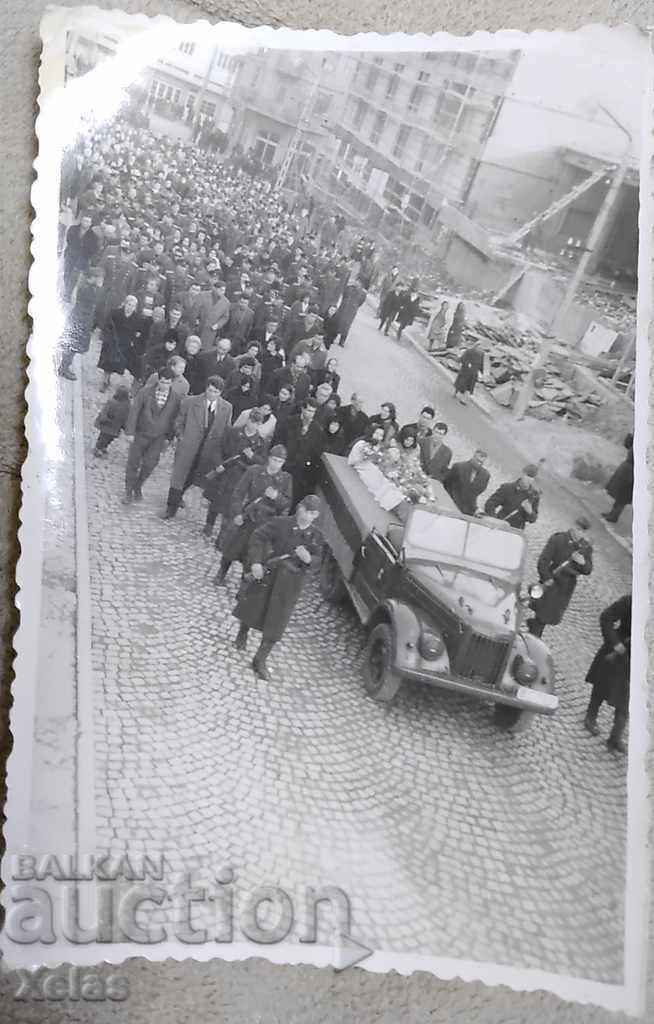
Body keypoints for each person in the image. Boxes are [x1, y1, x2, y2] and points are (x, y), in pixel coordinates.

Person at [231, 495, 322, 679]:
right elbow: (258, 536)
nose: (307, 516)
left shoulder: (316, 537)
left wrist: (309, 559)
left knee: (277, 622)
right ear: (299, 507)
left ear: (316, 515)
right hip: (269, 574)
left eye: (312, 513)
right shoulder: (281, 523)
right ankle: (242, 633)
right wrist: (256, 563)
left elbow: (319, 561)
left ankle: (260, 659)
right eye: (305, 510)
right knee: (253, 608)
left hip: (290, 584)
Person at [214, 444, 293, 584]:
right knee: (232, 547)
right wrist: (237, 513)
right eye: (274, 460)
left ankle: (244, 584)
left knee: (255, 555)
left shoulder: (286, 479)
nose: (276, 464)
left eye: (280, 462)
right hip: (249, 516)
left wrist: (276, 497)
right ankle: (221, 572)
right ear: (269, 458)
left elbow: (287, 504)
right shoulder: (254, 471)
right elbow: (238, 493)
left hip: (267, 523)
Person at [163, 376, 232, 518]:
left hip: (207, 451)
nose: (213, 394)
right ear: (206, 388)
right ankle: (171, 508)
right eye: (211, 391)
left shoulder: (226, 407)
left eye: (217, 392)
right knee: (179, 476)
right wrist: (182, 438)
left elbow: (226, 430)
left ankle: (179, 496)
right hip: (188, 447)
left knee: (193, 477)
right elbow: (178, 422)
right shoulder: (190, 402)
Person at [202, 408, 267, 536]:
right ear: (248, 420)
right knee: (216, 499)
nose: (253, 425)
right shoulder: (232, 432)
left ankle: (223, 533)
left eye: (257, 423)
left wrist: (252, 456)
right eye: (252, 421)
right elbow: (218, 448)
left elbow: (262, 463)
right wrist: (218, 463)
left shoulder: (260, 443)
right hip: (225, 471)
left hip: (241, 476)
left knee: (232, 505)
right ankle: (209, 525)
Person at [528, 517, 594, 638]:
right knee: (542, 615)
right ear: (572, 526)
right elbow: (543, 561)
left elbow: (588, 570)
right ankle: (534, 635)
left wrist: (583, 563)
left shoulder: (585, 548)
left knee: (550, 616)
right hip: (552, 583)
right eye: (578, 529)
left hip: (566, 588)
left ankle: (533, 629)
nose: (580, 533)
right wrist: (547, 578)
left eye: (583, 531)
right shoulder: (559, 539)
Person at [123, 372, 181, 504]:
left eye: (168, 382)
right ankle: (128, 490)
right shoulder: (145, 392)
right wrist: (130, 432)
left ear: (172, 383)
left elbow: (174, 419)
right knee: (133, 463)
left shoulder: (175, 398)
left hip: (158, 437)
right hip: (141, 433)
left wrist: (169, 437)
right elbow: (135, 411)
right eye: (162, 382)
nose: (165, 385)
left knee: (150, 463)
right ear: (158, 380)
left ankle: (138, 485)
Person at [584, 594, 631, 752]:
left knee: (627, 701)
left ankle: (615, 738)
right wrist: (615, 643)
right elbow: (606, 617)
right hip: (618, 651)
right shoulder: (632, 600)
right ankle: (591, 716)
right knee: (601, 686)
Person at [58, 265, 104, 380]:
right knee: (73, 345)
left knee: (73, 345)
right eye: (98, 277)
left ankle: (64, 366)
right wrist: (99, 287)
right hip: (80, 320)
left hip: (82, 319)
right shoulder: (87, 289)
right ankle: (63, 368)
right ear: (92, 277)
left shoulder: (87, 286)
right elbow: (96, 299)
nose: (100, 280)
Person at [279, 398, 325, 508]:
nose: (311, 414)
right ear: (302, 409)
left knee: (291, 499)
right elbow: (279, 440)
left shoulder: (317, 430)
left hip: (300, 472)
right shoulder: (289, 422)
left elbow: (316, 452)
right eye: (309, 410)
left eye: (313, 411)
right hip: (284, 465)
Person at [99, 294, 147, 392]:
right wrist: (108, 338)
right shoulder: (115, 313)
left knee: (127, 362)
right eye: (129, 305)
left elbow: (139, 332)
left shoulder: (137, 318)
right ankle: (105, 381)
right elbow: (107, 326)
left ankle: (132, 386)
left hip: (126, 344)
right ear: (125, 304)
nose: (130, 308)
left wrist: (133, 340)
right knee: (108, 360)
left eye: (133, 306)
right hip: (113, 341)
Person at [484, 465, 540, 530]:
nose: (529, 479)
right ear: (522, 474)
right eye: (528, 475)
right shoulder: (507, 488)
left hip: (516, 531)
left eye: (532, 477)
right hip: (500, 526)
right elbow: (490, 504)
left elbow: (532, 520)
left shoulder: (534, 495)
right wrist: (494, 520)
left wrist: (529, 511)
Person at [62, 213, 100, 300]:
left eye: (87, 221)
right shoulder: (73, 229)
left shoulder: (93, 236)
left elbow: (94, 249)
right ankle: (65, 289)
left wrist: (85, 254)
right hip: (70, 256)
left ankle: (68, 294)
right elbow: (69, 239)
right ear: (81, 221)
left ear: (90, 223)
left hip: (82, 259)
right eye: (84, 220)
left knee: (74, 276)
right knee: (67, 273)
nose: (85, 223)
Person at [444, 449, 490, 515]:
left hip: (469, 510)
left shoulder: (485, 475)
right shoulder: (458, 467)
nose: (479, 464)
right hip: (451, 504)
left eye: (481, 462)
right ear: (473, 457)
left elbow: (479, 491)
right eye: (477, 461)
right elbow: (447, 483)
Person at [602, 433, 634, 524]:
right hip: (627, 469)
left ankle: (614, 516)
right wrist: (631, 437)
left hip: (632, 471)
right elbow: (627, 445)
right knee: (620, 493)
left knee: (623, 496)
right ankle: (613, 514)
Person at [93, 384, 131, 457]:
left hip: (116, 425)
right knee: (103, 438)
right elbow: (105, 411)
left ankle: (104, 447)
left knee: (110, 438)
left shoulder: (127, 405)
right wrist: (104, 419)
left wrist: (125, 425)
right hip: (107, 424)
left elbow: (127, 415)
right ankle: (98, 448)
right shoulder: (111, 402)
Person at [454, 340, 487, 404]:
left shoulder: (482, 354)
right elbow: (463, 358)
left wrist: (482, 372)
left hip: (474, 372)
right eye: (479, 347)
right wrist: (466, 363)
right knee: (460, 383)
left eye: (481, 348)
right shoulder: (469, 351)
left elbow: (481, 364)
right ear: (476, 346)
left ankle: (463, 399)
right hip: (465, 370)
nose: (480, 349)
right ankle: (455, 392)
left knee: (469, 386)